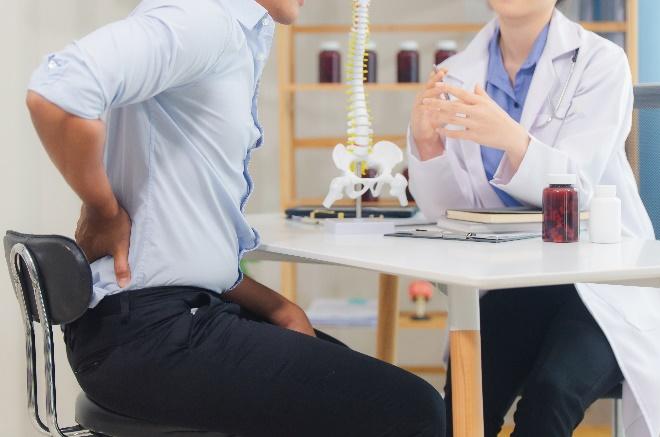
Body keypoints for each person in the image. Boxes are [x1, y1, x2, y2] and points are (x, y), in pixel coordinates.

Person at [26, 0, 446, 435]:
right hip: (149, 337)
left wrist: (278, 306)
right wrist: (101, 208)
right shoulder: (203, 20)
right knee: (413, 411)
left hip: (161, 322)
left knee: (350, 375)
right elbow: (59, 89)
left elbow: (187, 245)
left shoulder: (224, 28)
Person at [408, 1, 660, 436]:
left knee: (550, 394)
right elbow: (450, 212)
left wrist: (511, 138)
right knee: (467, 400)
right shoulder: (454, 72)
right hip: (516, 281)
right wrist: (428, 147)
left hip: (598, 282)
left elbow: (576, 186)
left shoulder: (600, 61)